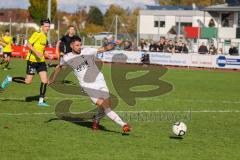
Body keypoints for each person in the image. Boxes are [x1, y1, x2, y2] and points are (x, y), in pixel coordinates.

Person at [49, 36, 131, 133]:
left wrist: (115, 43)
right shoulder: (67, 57)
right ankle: (123, 124)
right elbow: (59, 67)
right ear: (71, 46)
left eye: (80, 45)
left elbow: (105, 49)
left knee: (106, 105)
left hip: (100, 81)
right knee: (105, 106)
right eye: (77, 45)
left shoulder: (88, 51)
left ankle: (96, 120)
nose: (79, 47)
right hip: (88, 86)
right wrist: (52, 80)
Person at [0, 18, 51, 106]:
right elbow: (28, 44)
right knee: (28, 81)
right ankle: (9, 79)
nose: (48, 28)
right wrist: (36, 52)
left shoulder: (45, 36)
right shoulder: (37, 34)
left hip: (41, 61)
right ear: (42, 26)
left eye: (49, 26)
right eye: (46, 26)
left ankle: (41, 101)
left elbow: (41, 48)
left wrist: (45, 53)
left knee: (45, 80)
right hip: (32, 61)